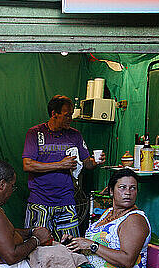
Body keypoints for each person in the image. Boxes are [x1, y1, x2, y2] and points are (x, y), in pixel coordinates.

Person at [23, 95, 106, 241]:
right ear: (54, 113)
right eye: (67, 115)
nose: (70, 119)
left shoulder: (75, 135)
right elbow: (28, 164)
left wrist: (96, 161)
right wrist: (60, 164)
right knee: (37, 245)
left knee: (71, 246)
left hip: (66, 199)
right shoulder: (35, 133)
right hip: (39, 200)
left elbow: (87, 163)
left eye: (71, 115)